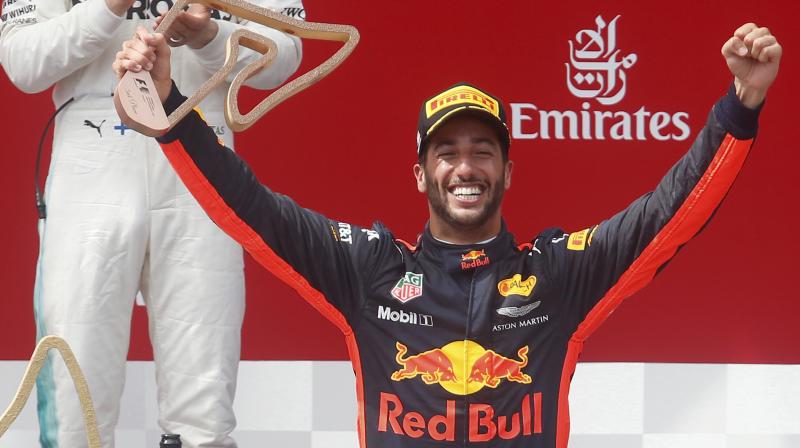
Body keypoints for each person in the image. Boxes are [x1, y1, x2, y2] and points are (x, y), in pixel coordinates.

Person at [113, 23, 781, 448]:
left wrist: (739, 106)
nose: (466, 167)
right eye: (448, 152)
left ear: (507, 171)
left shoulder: (557, 275)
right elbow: (249, 208)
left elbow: (670, 214)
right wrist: (173, 111)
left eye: (483, 151)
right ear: (421, 173)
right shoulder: (367, 270)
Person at [0, 0, 304, 445]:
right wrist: (109, 6)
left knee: (204, 419)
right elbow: (23, 62)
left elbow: (286, 54)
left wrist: (208, 36)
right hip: (90, 155)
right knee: (73, 404)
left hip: (200, 144)